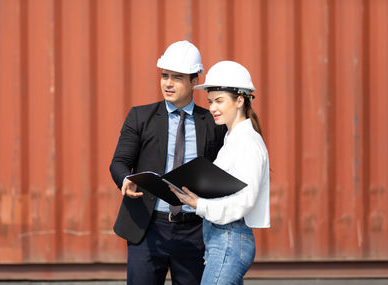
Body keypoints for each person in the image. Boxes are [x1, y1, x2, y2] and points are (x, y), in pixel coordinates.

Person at [109, 40, 226, 285]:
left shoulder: (212, 123)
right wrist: (126, 179)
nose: (168, 83)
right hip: (148, 229)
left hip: (195, 231)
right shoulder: (140, 117)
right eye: (164, 76)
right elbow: (119, 162)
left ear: (195, 81)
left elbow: (222, 173)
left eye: (177, 77)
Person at [169, 60, 270, 284]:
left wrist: (199, 204)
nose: (212, 107)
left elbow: (246, 200)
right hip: (221, 239)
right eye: (210, 102)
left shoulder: (246, 141)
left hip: (230, 240)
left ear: (240, 101)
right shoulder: (233, 138)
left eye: (219, 101)